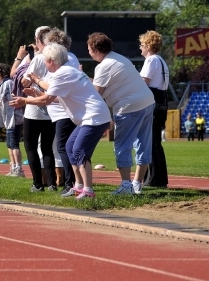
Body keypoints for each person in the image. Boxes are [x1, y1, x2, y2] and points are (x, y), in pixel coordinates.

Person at [11, 44, 111, 200]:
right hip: (91, 116)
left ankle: (88, 190)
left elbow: (47, 98)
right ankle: (77, 185)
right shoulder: (67, 71)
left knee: (78, 151)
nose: (44, 63)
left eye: (45, 60)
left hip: (94, 117)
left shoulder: (63, 73)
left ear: (51, 60)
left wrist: (25, 100)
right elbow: (56, 98)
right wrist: (37, 91)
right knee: (70, 146)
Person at [88, 32, 155, 195]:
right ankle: (137, 184)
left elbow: (96, 93)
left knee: (122, 146)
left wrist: (81, 79)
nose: (88, 52)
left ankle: (126, 185)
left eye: (89, 49)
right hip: (147, 102)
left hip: (129, 107)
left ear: (96, 49)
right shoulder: (120, 58)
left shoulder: (103, 66)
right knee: (143, 144)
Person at [30, 28, 82, 196]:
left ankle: (71, 183)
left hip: (63, 110)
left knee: (63, 147)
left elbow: (52, 89)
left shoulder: (62, 64)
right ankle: (76, 182)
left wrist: (36, 81)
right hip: (67, 108)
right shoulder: (72, 59)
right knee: (71, 147)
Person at [17, 26, 57, 192]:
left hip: (34, 108)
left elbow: (25, 82)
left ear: (38, 41)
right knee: (48, 148)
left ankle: (37, 183)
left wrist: (26, 72)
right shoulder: (60, 57)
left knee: (31, 147)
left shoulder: (39, 58)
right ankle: (52, 183)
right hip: (51, 109)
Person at [139, 30, 170, 188]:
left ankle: (153, 180)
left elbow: (143, 83)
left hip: (153, 102)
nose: (140, 48)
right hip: (162, 101)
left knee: (150, 142)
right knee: (156, 143)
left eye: (142, 45)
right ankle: (159, 179)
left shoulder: (151, 60)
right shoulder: (161, 60)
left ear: (149, 45)